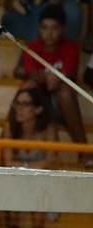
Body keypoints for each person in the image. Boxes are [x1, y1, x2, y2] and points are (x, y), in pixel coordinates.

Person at [18, 4, 88, 150]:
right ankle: (7, 144)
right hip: (37, 104)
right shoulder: (32, 47)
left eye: (54, 28)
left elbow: (54, 84)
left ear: (63, 29)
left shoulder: (71, 48)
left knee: (64, 93)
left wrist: (44, 77)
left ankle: (84, 150)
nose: (49, 33)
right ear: (38, 28)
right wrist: (47, 77)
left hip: (62, 106)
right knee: (27, 88)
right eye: (44, 28)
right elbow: (35, 77)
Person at [1, 86, 58, 228]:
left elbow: (52, 160)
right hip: (17, 180)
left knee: (40, 185)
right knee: (14, 185)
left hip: (41, 180)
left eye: (25, 104)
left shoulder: (48, 128)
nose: (19, 108)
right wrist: (32, 167)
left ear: (38, 109)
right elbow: (8, 162)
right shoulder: (9, 127)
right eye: (17, 104)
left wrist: (24, 167)